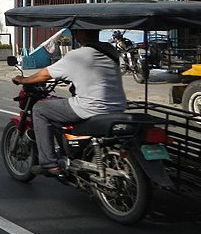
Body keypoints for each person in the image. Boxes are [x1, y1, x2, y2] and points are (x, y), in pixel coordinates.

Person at [11, 28, 126, 175]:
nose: (74, 35)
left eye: (75, 32)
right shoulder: (111, 50)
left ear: (81, 33)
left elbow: (46, 74)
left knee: (40, 109)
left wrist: (24, 80)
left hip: (90, 107)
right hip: (118, 106)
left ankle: (49, 163)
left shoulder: (76, 56)